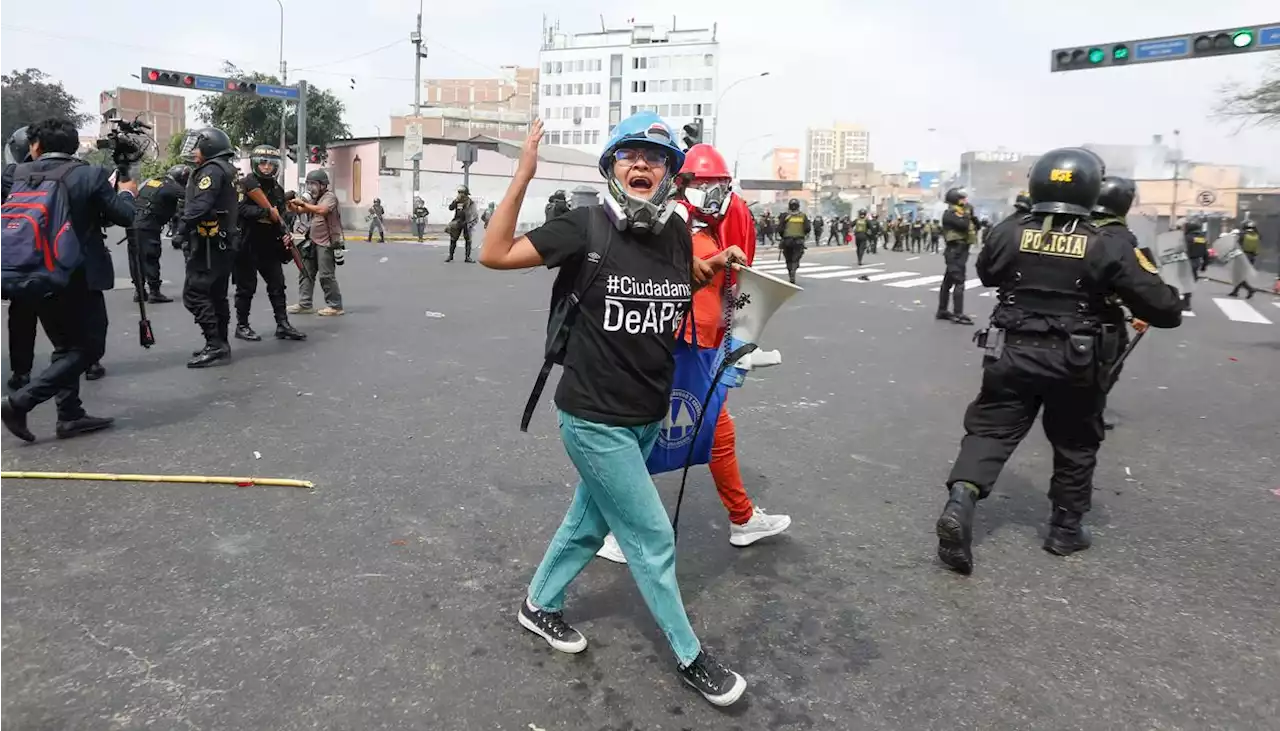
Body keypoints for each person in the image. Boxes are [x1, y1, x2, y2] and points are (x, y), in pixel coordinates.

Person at [479, 113, 748, 707]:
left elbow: (681, 280)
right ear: (611, 166)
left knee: (590, 523)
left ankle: (538, 604)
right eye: (630, 154)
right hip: (594, 417)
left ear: (671, 173)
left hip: (648, 414)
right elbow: (493, 254)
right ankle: (690, 657)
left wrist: (714, 267)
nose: (642, 164)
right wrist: (523, 174)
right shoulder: (584, 227)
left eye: (656, 157)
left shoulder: (676, 234)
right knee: (651, 537)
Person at [934, 148, 1183, 575]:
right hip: (1077, 360)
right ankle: (1065, 531)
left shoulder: (1012, 230)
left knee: (990, 430)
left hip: (1010, 350)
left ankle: (961, 500)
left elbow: (990, 272)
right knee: (1075, 442)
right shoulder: (1108, 239)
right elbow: (1164, 310)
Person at [595, 142, 792, 564]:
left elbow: (735, 285)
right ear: (682, 183)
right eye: (706, 183)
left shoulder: (712, 224)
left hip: (701, 346)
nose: (716, 192)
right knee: (645, 437)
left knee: (715, 432)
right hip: (670, 345)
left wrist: (738, 343)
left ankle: (740, 517)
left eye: (721, 184)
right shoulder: (670, 223)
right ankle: (613, 527)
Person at [0, 117, 136, 441]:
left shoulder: (14, 174)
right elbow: (124, 216)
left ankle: (70, 415)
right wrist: (129, 193)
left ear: (36, 146)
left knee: (65, 345)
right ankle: (21, 402)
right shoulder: (88, 175)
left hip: (31, 269)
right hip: (77, 274)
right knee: (90, 348)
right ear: (74, 145)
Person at [1089, 176, 1149, 431]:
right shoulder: (1122, 237)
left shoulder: (1075, 225)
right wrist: (1143, 309)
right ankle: (1093, 409)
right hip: (1100, 313)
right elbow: (1133, 281)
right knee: (1107, 362)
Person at [178, 127, 240, 368]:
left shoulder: (211, 170)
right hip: (223, 242)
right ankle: (221, 344)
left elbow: (201, 205)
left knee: (194, 294)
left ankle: (214, 344)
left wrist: (181, 229)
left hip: (209, 244)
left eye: (197, 146)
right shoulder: (227, 168)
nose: (194, 152)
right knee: (217, 295)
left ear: (210, 146)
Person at [233, 145, 306, 343]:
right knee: (246, 288)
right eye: (262, 163)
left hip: (269, 245)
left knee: (277, 285)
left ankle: (282, 324)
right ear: (255, 164)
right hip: (247, 243)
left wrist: (285, 234)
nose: (266, 167)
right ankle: (242, 325)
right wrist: (266, 213)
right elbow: (239, 210)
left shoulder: (276, 188)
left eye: (270, 164)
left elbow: (281, 215)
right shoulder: (244, 184)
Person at [3, 125, 38, 393]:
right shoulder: (71, 171)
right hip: (61, 256)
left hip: (21, 258)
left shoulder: (9, 176)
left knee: (21, 318)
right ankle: (88, 363)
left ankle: (21, 373)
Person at [287, 169, 345, 317]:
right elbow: (299, 210)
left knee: (326, 275)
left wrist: (303, 205)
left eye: (313, 184)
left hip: (327, 242)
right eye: (309, 184)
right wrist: (290, 203)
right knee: (305, 272)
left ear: (323, 185)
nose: (310, 187)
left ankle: (335, 306)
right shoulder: (313, 198)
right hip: (311, 241)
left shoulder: (329, 197)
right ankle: (305, 304)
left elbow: (323, 210)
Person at [129, 164, 188, 304]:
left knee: (135, 259)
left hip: (133, 224)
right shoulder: (173, 187)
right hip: (149, 226)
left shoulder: (151, 181)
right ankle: (154, 292)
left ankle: (139, 291)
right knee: (151, 257)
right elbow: (191, 198)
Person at [937, 188, 978, 325]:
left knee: (948, 281)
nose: (965, 201)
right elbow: (964, 225)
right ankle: (958, 313)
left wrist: (972, 214)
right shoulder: (950, 214)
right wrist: (967, 213)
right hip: (955, 251)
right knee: (959, 281)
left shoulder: (962, 212)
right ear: (956, 200)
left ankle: (942, 310)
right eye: (962, 199)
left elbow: (976, 225)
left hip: (961, 250)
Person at [775, 198, 811, 284]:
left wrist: (783, 236)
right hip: (799, 241)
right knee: (796, 258)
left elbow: (780, 229)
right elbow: (807, 228)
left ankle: (791, 272)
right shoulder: (803, 216)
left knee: (788, 259)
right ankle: (794, 269)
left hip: (787, 241)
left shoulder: (785, 216)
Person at [1229, 219, 1263, 298]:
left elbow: (1236, 245)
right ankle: (1235, 292)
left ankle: (1250, 289)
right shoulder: (1257, 235)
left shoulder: (1242, 234)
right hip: (1252, 257)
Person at [446, 185, 478, 263]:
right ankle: (450, 256)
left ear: (466, 193)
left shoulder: (470, 202)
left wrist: (472, 223)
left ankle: (467, 257)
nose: (460, 194)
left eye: (462, 192)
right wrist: (455, 201)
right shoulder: (457, 201)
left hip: (467, 222)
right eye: (459, 192)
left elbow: (474, 213)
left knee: (468, 240)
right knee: (453, 239)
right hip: (457, 222)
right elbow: (450, 208)